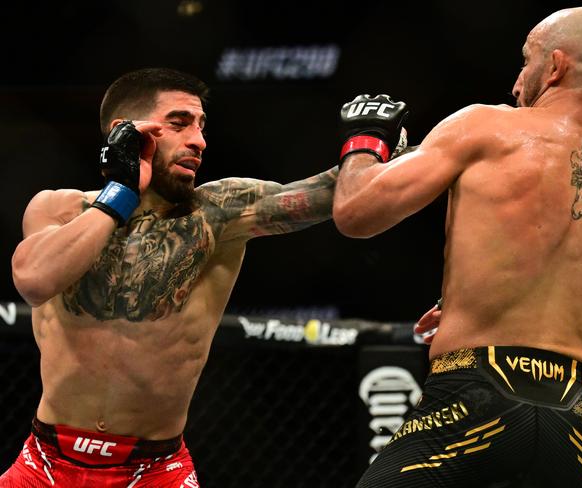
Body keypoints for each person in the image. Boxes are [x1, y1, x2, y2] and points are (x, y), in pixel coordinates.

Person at [334, 7, 582, 488]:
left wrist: (365, 138)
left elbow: (356, 212)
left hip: (472, 399)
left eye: (527, 61)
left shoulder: (486, 127)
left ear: (557, 66)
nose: (518, 81)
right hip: (573, 422)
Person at [1, 67, 337, 487]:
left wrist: (375, 143)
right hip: (44, 464)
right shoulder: (59, 208)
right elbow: (34, 280)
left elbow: (335, 195)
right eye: (179, 124)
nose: (198, 140)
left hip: (156, 471)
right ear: (128, 132)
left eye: (201, 126)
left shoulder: (220, 211)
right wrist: (120, 193)